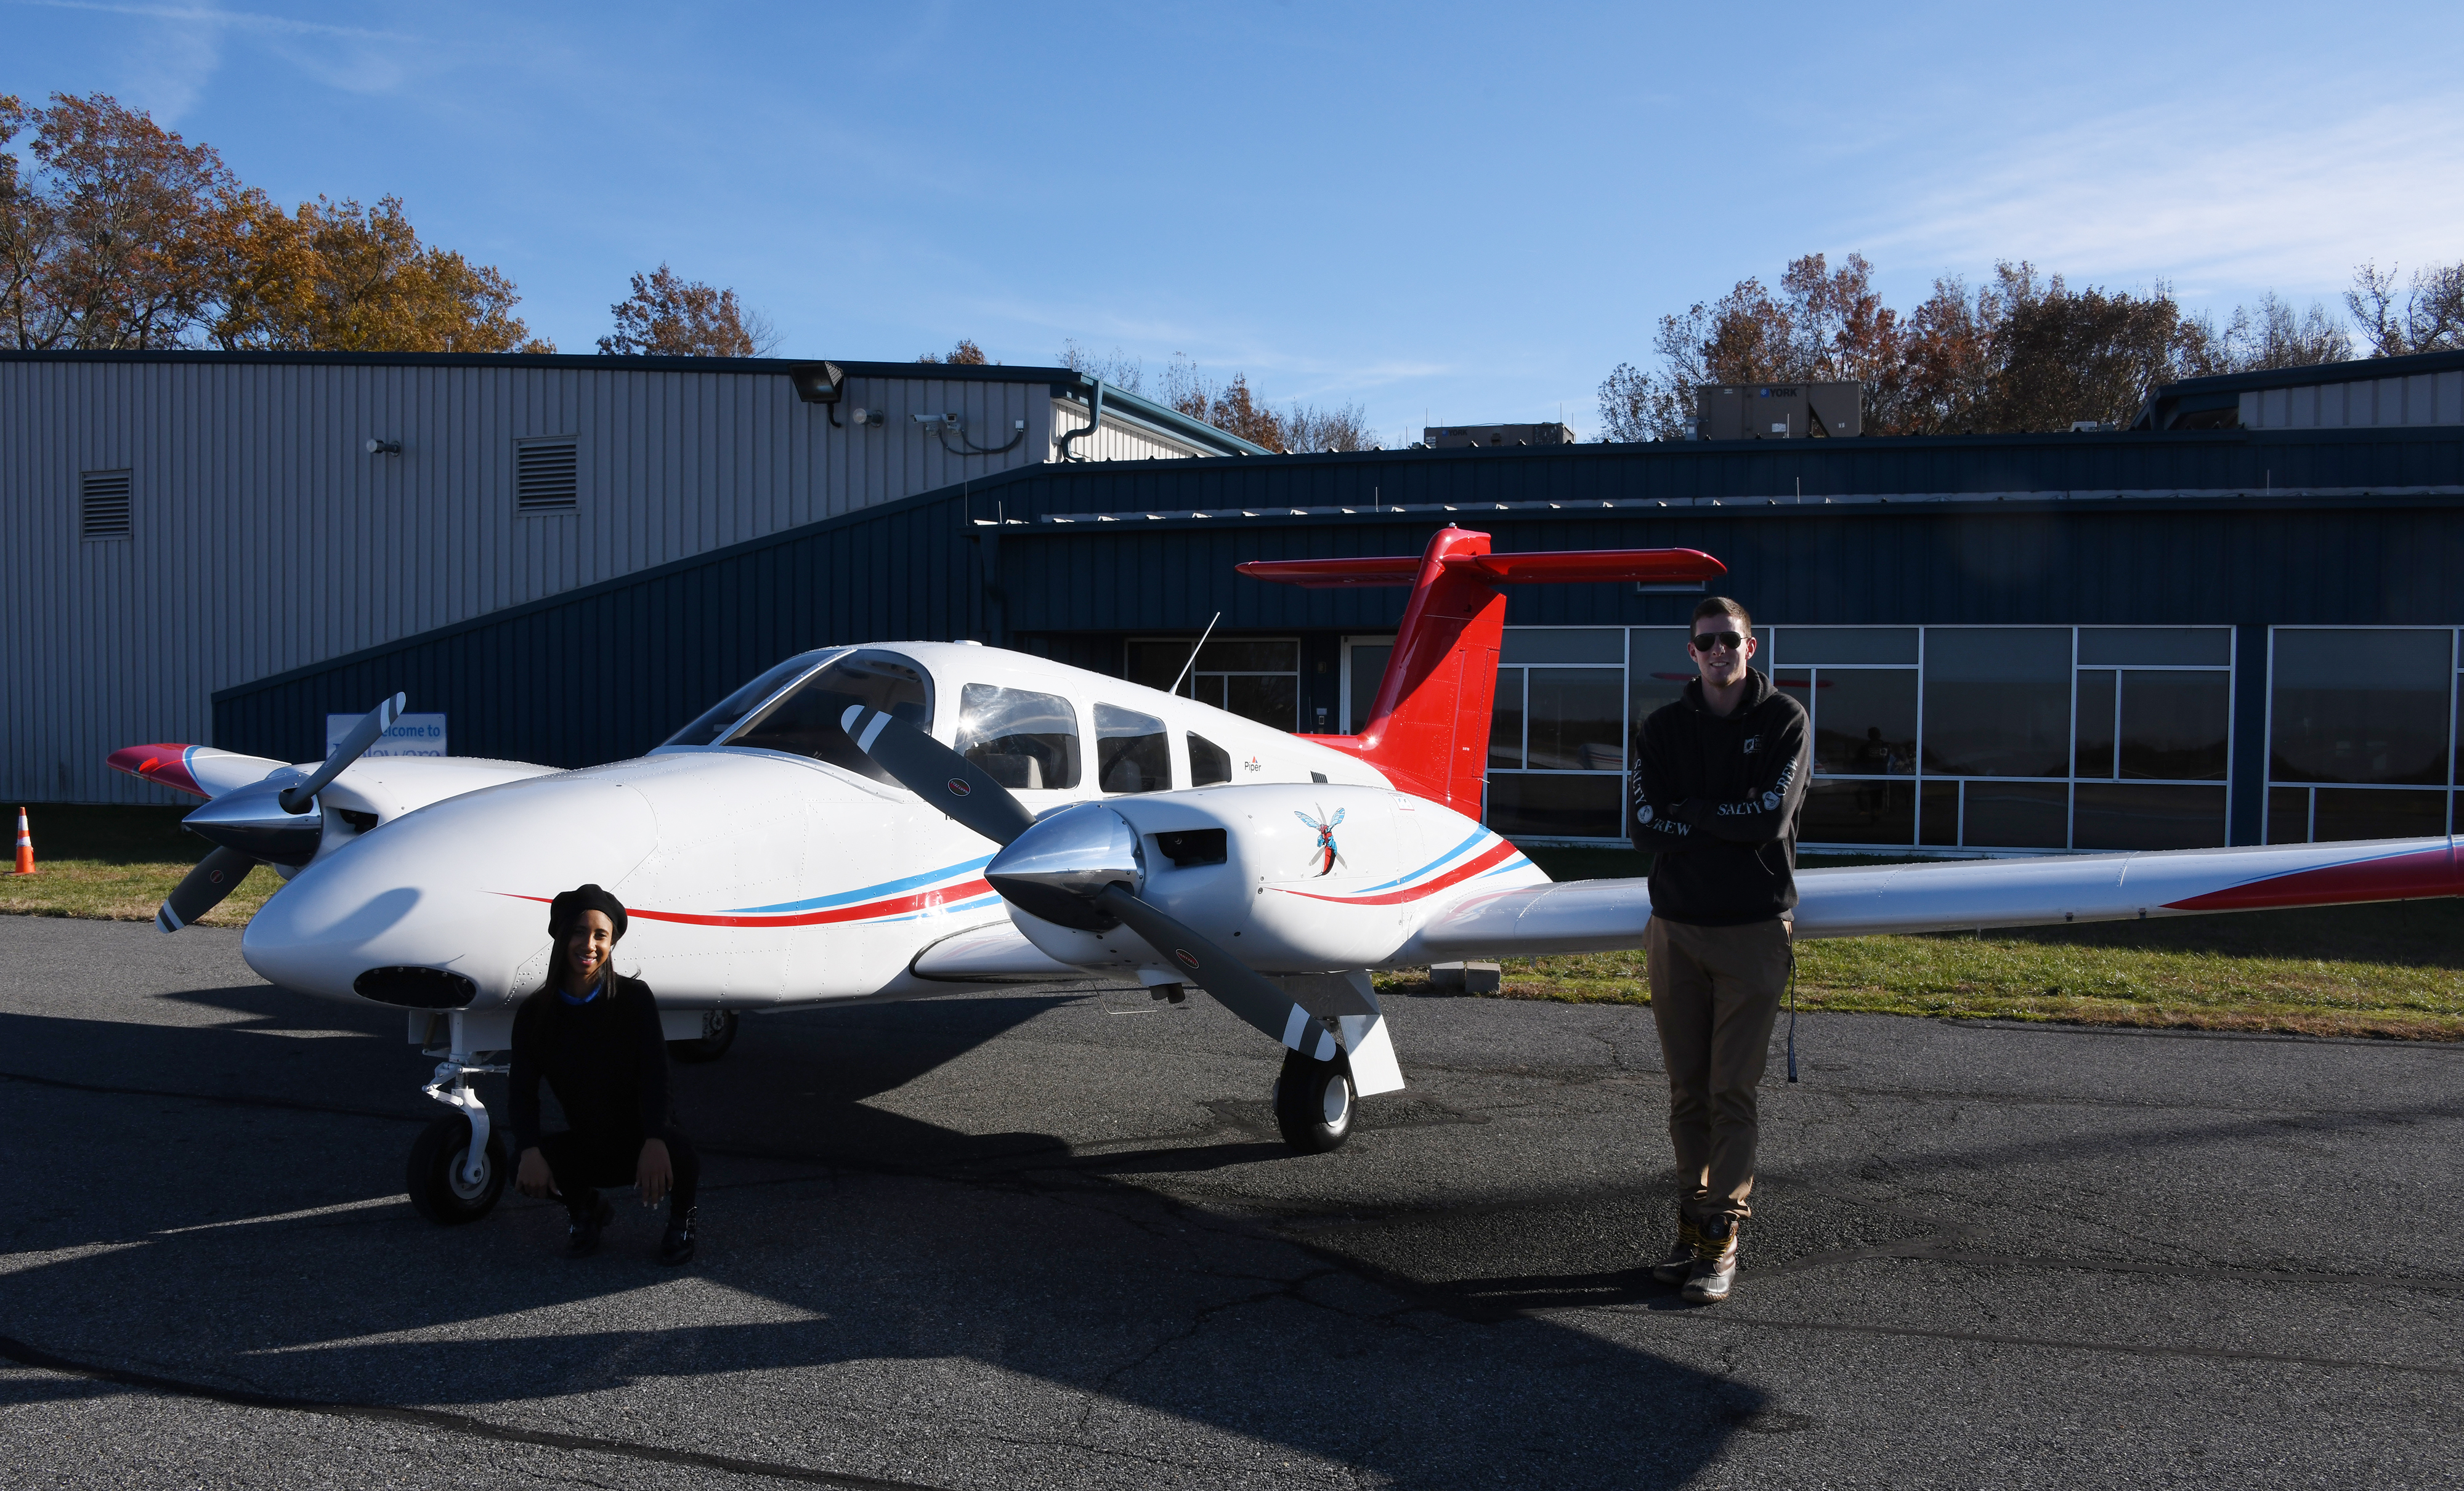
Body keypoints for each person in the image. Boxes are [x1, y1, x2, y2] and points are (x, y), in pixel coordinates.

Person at [1629, 597, 1810, 1303]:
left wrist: (1692, 812)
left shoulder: (1783, 720)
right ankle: (1689, 1225)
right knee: (1686, 1092)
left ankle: (1722, 1239)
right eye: (1705, 642)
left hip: (1754, 931)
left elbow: (1770, 817)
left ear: (1750, 647)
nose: (1717, 652)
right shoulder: (1663, 728)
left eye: (1728, 641)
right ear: (1691, 652)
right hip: (1674, 928)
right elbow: (1643, 828)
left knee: (1731, 1090)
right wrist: (1717, 820)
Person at [509, 884, 701, 1264]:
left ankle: (681, 1222)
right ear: (561, 936)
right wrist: (529, 1148)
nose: (589, 944)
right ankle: (585, 1209)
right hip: (590, 1143)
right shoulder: (535, 1013)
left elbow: (656, 1076)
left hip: (641, 1142)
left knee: (680, 1152)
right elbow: (522, 1091)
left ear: (612, 943)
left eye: (601, 935)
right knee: (520, 1163)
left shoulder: (633, 999)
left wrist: (655, 1137)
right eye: (579, 932)